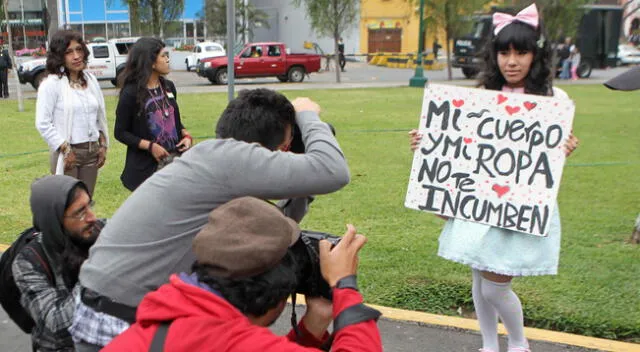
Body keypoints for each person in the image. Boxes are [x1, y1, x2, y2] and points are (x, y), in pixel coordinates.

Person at [70, 89, 350, 351]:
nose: (285, 159)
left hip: (111, 307)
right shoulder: (228, 160)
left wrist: (302, 187)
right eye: (285, 148)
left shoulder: (213, 164)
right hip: (118, 319)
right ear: (257, 148)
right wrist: (307, 114)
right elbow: (333, 171)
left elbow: (269, 233)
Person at [409, 4, 579, 352]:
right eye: (504, 52)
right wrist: (429, 144)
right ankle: (489, 344)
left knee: (494, 286)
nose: (512, 61)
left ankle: (518, 343)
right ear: (494, 55)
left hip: (516, 208)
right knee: (479, 275)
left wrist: (564, 148)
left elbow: (544, 158)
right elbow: (459, 149)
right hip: (479, 204)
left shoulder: (552, 100)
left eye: (521, 52)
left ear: (536, 55)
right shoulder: (480, 97)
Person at [102, 197, 382, 351]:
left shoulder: (151, 331)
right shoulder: (230, 340)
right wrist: (345, 286)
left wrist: (311, 328)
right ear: (274, 301)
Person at [12, 175, 101, 352]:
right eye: (80, 212)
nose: (92, 217)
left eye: (89, 205)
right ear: (55, 220)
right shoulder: (28, 262)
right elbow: (56, 324)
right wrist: (97, 270)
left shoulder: (98, 232)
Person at [35, 30, 109, 196]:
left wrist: (103, 144)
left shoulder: (91, 81)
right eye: (69, 52)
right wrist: (65, 149)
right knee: (66, 204)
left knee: (85, 201)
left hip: (91, 152)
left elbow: (99, 117)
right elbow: (43, 123)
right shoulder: (51, 84)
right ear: (59, 56)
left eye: (79, 49)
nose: (76, 56)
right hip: (67, 153)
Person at [114, 37, 192, 191]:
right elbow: (120, 132)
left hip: (173, 164)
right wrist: (150, 146)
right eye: (163, 56)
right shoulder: (131, 93)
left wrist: (186, 136)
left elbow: (173, 121)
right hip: (146, 170)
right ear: (150, 62)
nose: (167, 59)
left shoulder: (168, 87)